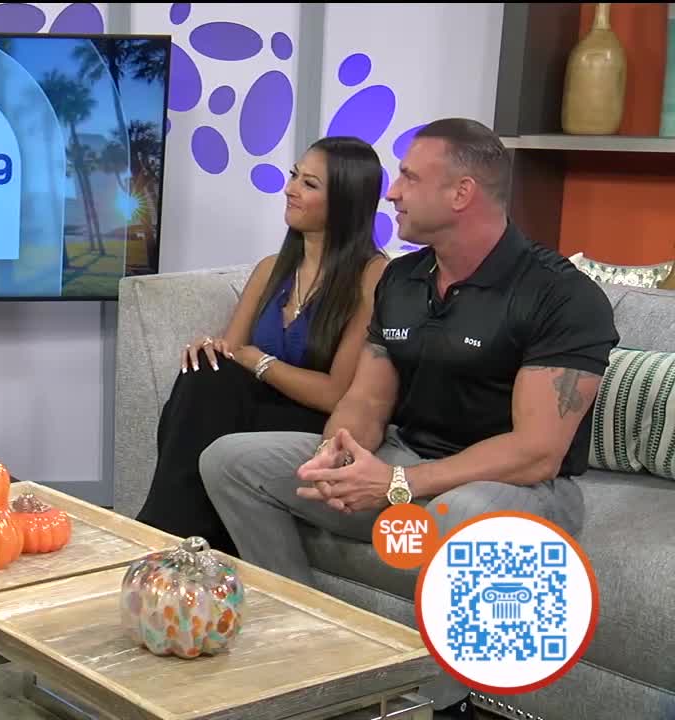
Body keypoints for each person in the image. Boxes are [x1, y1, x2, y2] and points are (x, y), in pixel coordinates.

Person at [198, 118, 619, 716]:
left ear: (461, 193)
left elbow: (536, 452)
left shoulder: (559, 295)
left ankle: (431, 705)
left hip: (516, 489)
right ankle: (309, 646)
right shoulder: (402, 278)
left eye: (409, 178)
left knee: (459, 514)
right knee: (230, 461)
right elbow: (367, 400)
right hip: (407, 462)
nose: (392, 193)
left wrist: (397, 483)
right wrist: (341, 452)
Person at [134, 136, 389, 554]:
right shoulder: (271, 269)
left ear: (346, 200)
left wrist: (261, 362)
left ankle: (160, 538)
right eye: (294, 176)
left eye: (309, 184)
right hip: (250, 410)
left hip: (314, 423)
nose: (290, 189)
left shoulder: (372, 275)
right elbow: (232, 353)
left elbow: (336, 393)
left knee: (214, 392)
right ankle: (178, 537)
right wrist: (209, 348)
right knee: (205, 373)